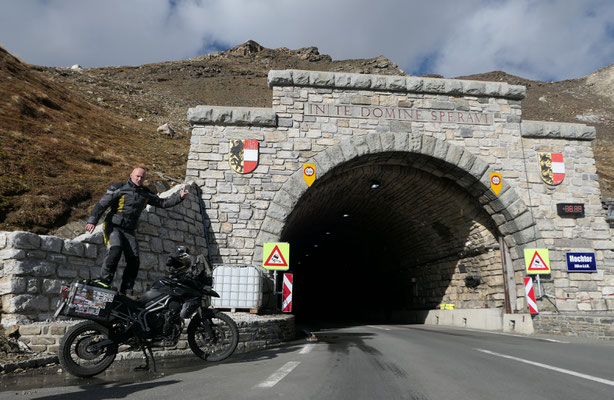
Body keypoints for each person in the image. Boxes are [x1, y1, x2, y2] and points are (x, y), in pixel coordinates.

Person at [85, 167, 189, 295]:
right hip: (113, 226)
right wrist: (92, 221)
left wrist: (180, 197)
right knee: (115, 250)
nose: (139, 179)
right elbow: (102, 204)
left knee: (134, 259)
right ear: (131, 175)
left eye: (142, 177)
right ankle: (104, 282)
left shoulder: (145, 192)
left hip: (129, 230)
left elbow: (162, 203)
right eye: (137, 176)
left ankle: (126, 290)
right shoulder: (119, 187)